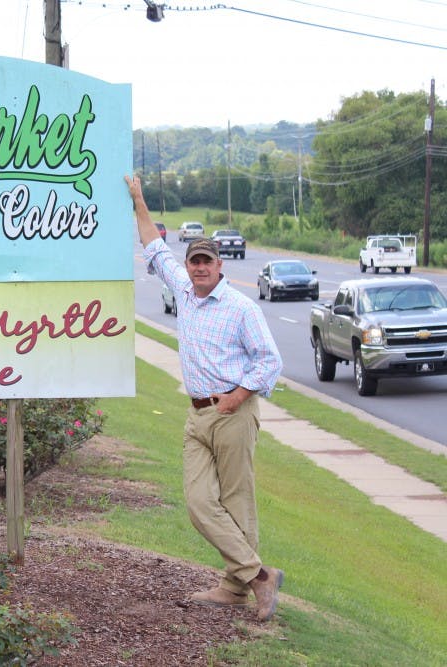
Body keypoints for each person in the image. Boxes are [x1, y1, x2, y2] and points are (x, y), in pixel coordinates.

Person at [124, 175, 285, 622]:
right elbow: (153, 245)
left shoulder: (240, 308)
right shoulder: (184, 294)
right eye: (193, 261)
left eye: (205, 263)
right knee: (199, 504)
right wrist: (138, 198)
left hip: (233, 411)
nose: (198, 268)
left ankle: (236, 588)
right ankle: (259, 577)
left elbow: (269, 362)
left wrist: (237, 397)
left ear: (219, 267)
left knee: (238, 501)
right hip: (197, 415)